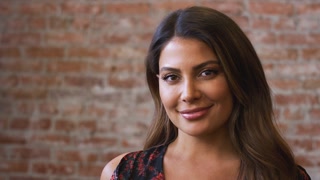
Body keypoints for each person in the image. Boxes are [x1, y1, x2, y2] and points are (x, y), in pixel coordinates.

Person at [101, 6, 311, 180]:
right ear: (158, 84)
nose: (189, 94)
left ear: (239, 76)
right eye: (172, 77)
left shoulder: (285, 176)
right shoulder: (123, 174)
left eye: (206, 72)